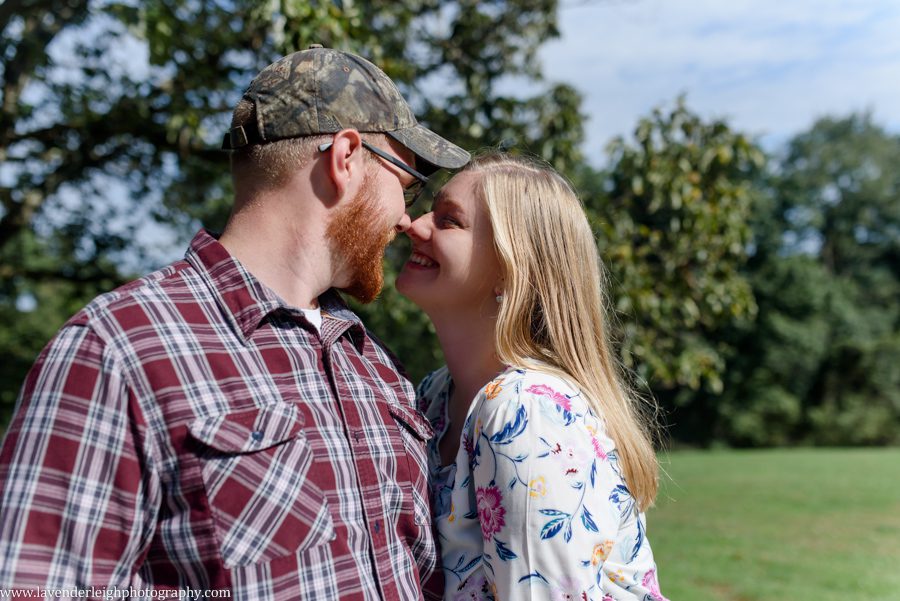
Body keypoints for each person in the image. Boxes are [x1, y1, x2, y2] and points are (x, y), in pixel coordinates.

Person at [0, 46, 469, 599]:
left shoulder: (376, 368)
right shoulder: (117, 349)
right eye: (407, 183)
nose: (406, 218)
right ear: (345, 158)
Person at [396, 152, 668, 600]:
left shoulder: (527, 413)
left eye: (448, 220)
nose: (414, 224)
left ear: (509, 268)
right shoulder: (434, 394)